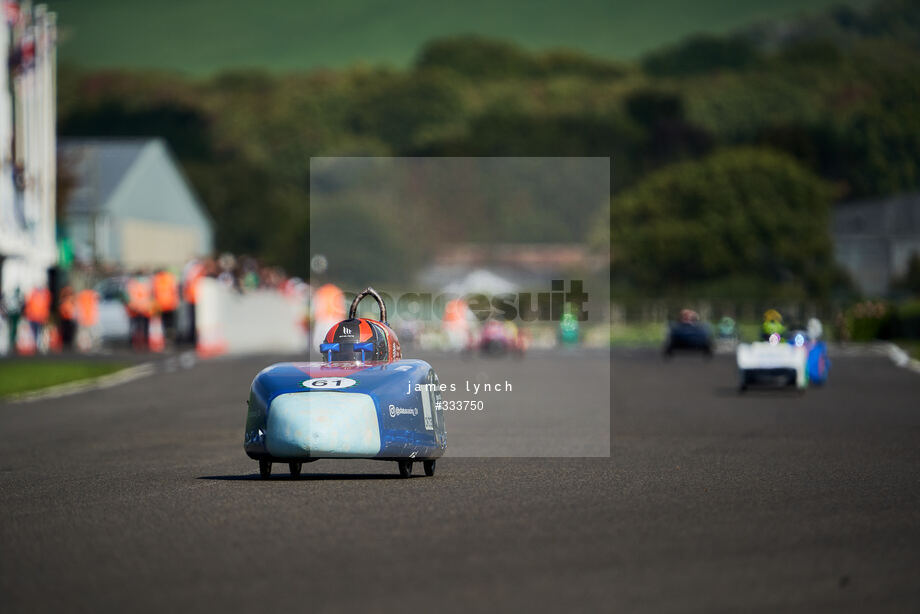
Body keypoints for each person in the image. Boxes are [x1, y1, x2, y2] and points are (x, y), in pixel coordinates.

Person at [125, 274, 153, 350]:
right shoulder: (145, 284)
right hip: (139, 309)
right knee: (138, 327)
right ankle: (137, 342)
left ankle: (141, 342)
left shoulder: (133, 284)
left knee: (141, 327)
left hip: (142, 309)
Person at [153, 268, 179, 343]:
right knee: (170, 323)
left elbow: (154, 292)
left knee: (165, 323)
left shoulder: (157, 279)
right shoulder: (170, 278)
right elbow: (174, 290)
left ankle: (167, 338)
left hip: (161, 305)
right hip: (169, 304)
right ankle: (170, 337)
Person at [24, 285, 51, 351]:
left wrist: (45, 316)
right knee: (34, 332)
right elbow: (29, 305)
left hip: (40, 317)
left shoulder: (45, 295)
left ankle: (40, 346)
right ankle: (35, 346)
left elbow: (46, 307)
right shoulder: (33, 294)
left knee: (40, 332)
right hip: (33, 317)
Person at [58, 286, 77, 350]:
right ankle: (65, 345)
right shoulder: (63, 299)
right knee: (65, 333)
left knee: (70, 333)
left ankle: (69, 346)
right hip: (65, 318)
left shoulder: (71, 299)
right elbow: (62, 309)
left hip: (70, 318)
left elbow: (73, 308)